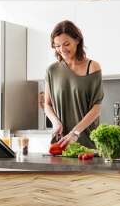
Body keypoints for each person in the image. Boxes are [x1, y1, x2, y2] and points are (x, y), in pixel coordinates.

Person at [44, 20, 104, 149]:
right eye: (57, 46)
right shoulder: (52, 70)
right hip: (61, 143)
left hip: (88, 142)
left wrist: (75, 132)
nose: (62, 49)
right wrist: (56, 123)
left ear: (77, 40)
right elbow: (47, 104)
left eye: (66, 44)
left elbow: (97, 107)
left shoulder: (92, 67)